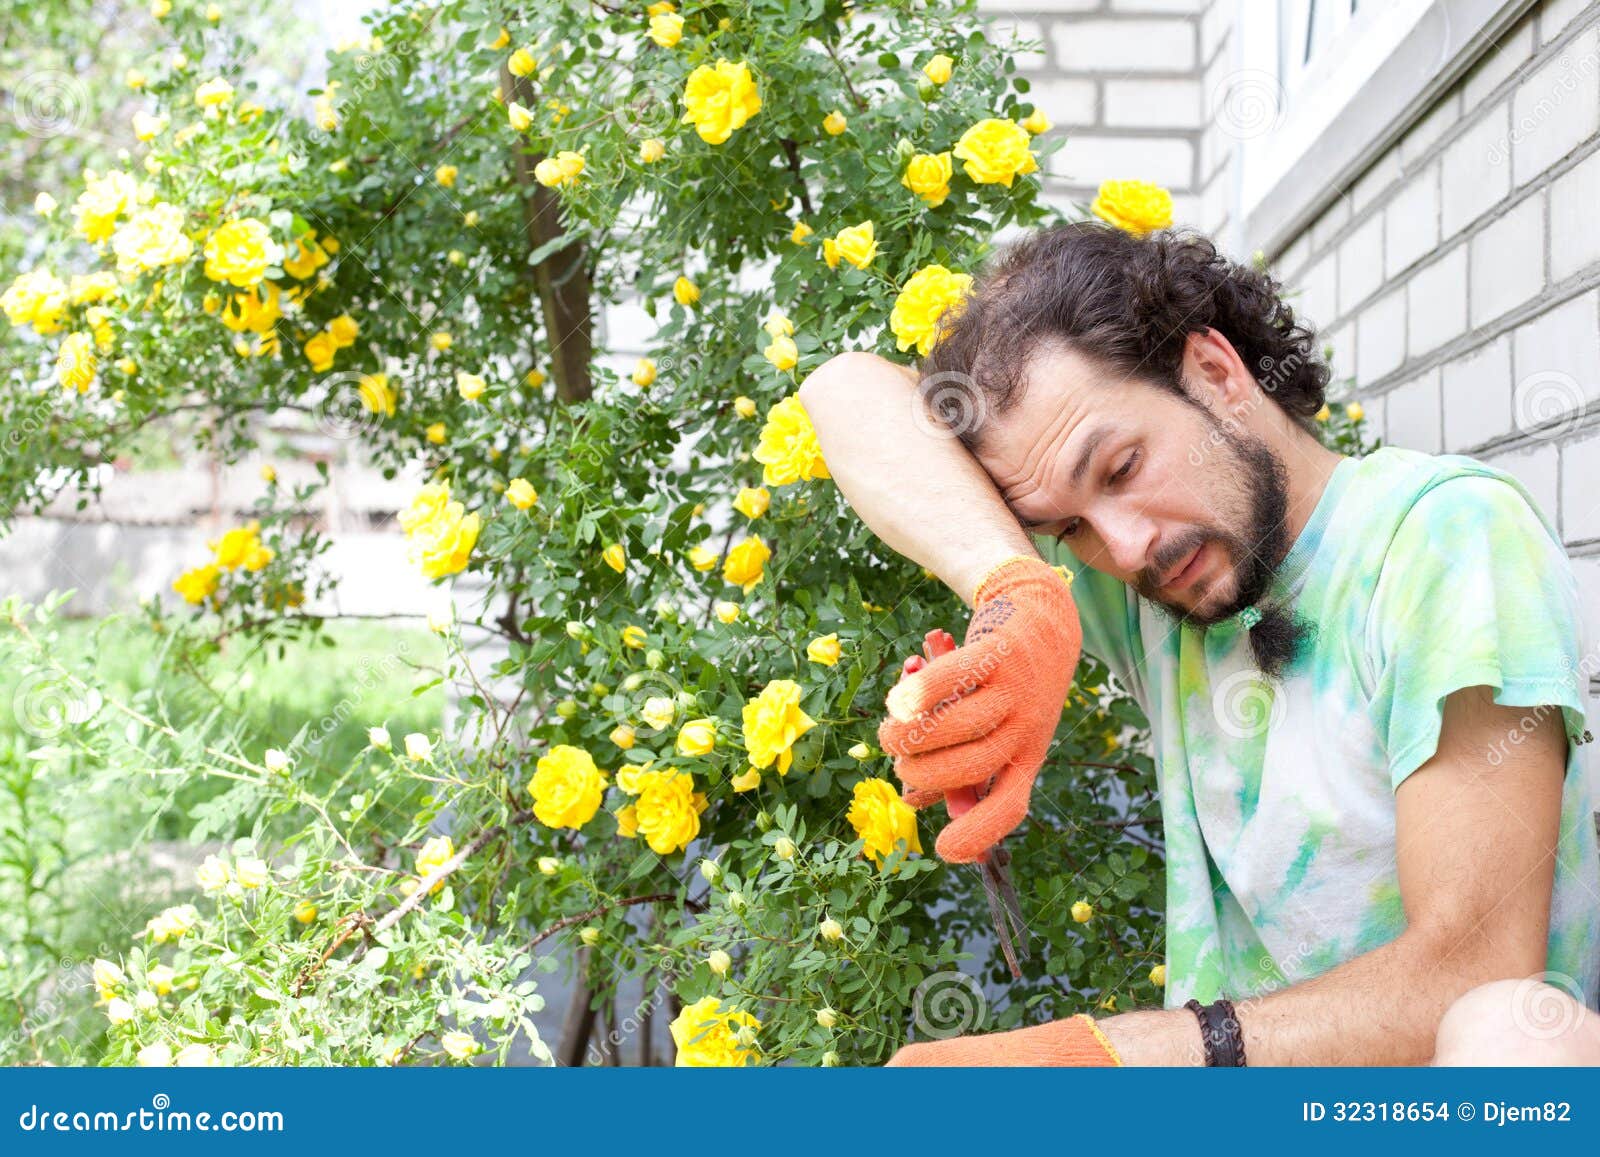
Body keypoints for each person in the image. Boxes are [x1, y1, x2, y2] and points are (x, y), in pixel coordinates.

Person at [800, 221, 1600, 1065]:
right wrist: (1015, 586)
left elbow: (1470, 974)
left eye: (1120, 467)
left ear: (1217, 374)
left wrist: (1108, 1058)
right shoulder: (1168, 587)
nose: (1126, 546)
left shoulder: (1447, 538)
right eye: (1071, 527)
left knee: (1510, 1030)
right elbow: (842, 391)